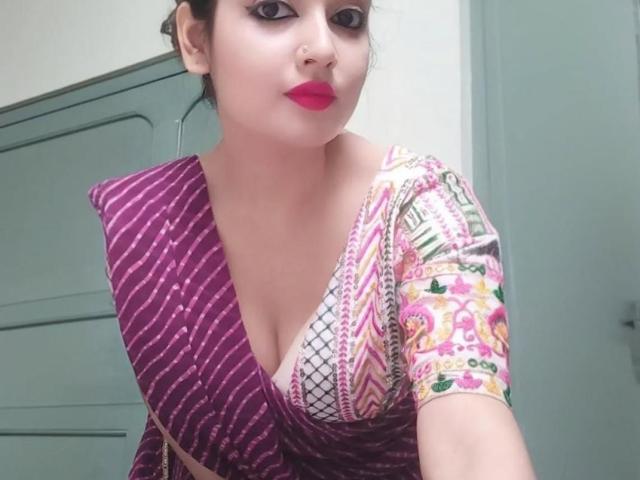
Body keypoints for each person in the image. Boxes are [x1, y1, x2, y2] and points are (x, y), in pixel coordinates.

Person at [87, 0, 537, 478]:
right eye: (272, 10)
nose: (323, 49)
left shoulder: (422, 208)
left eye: (347, 18)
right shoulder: (144, 220)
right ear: (197, 40)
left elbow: (469, 432)